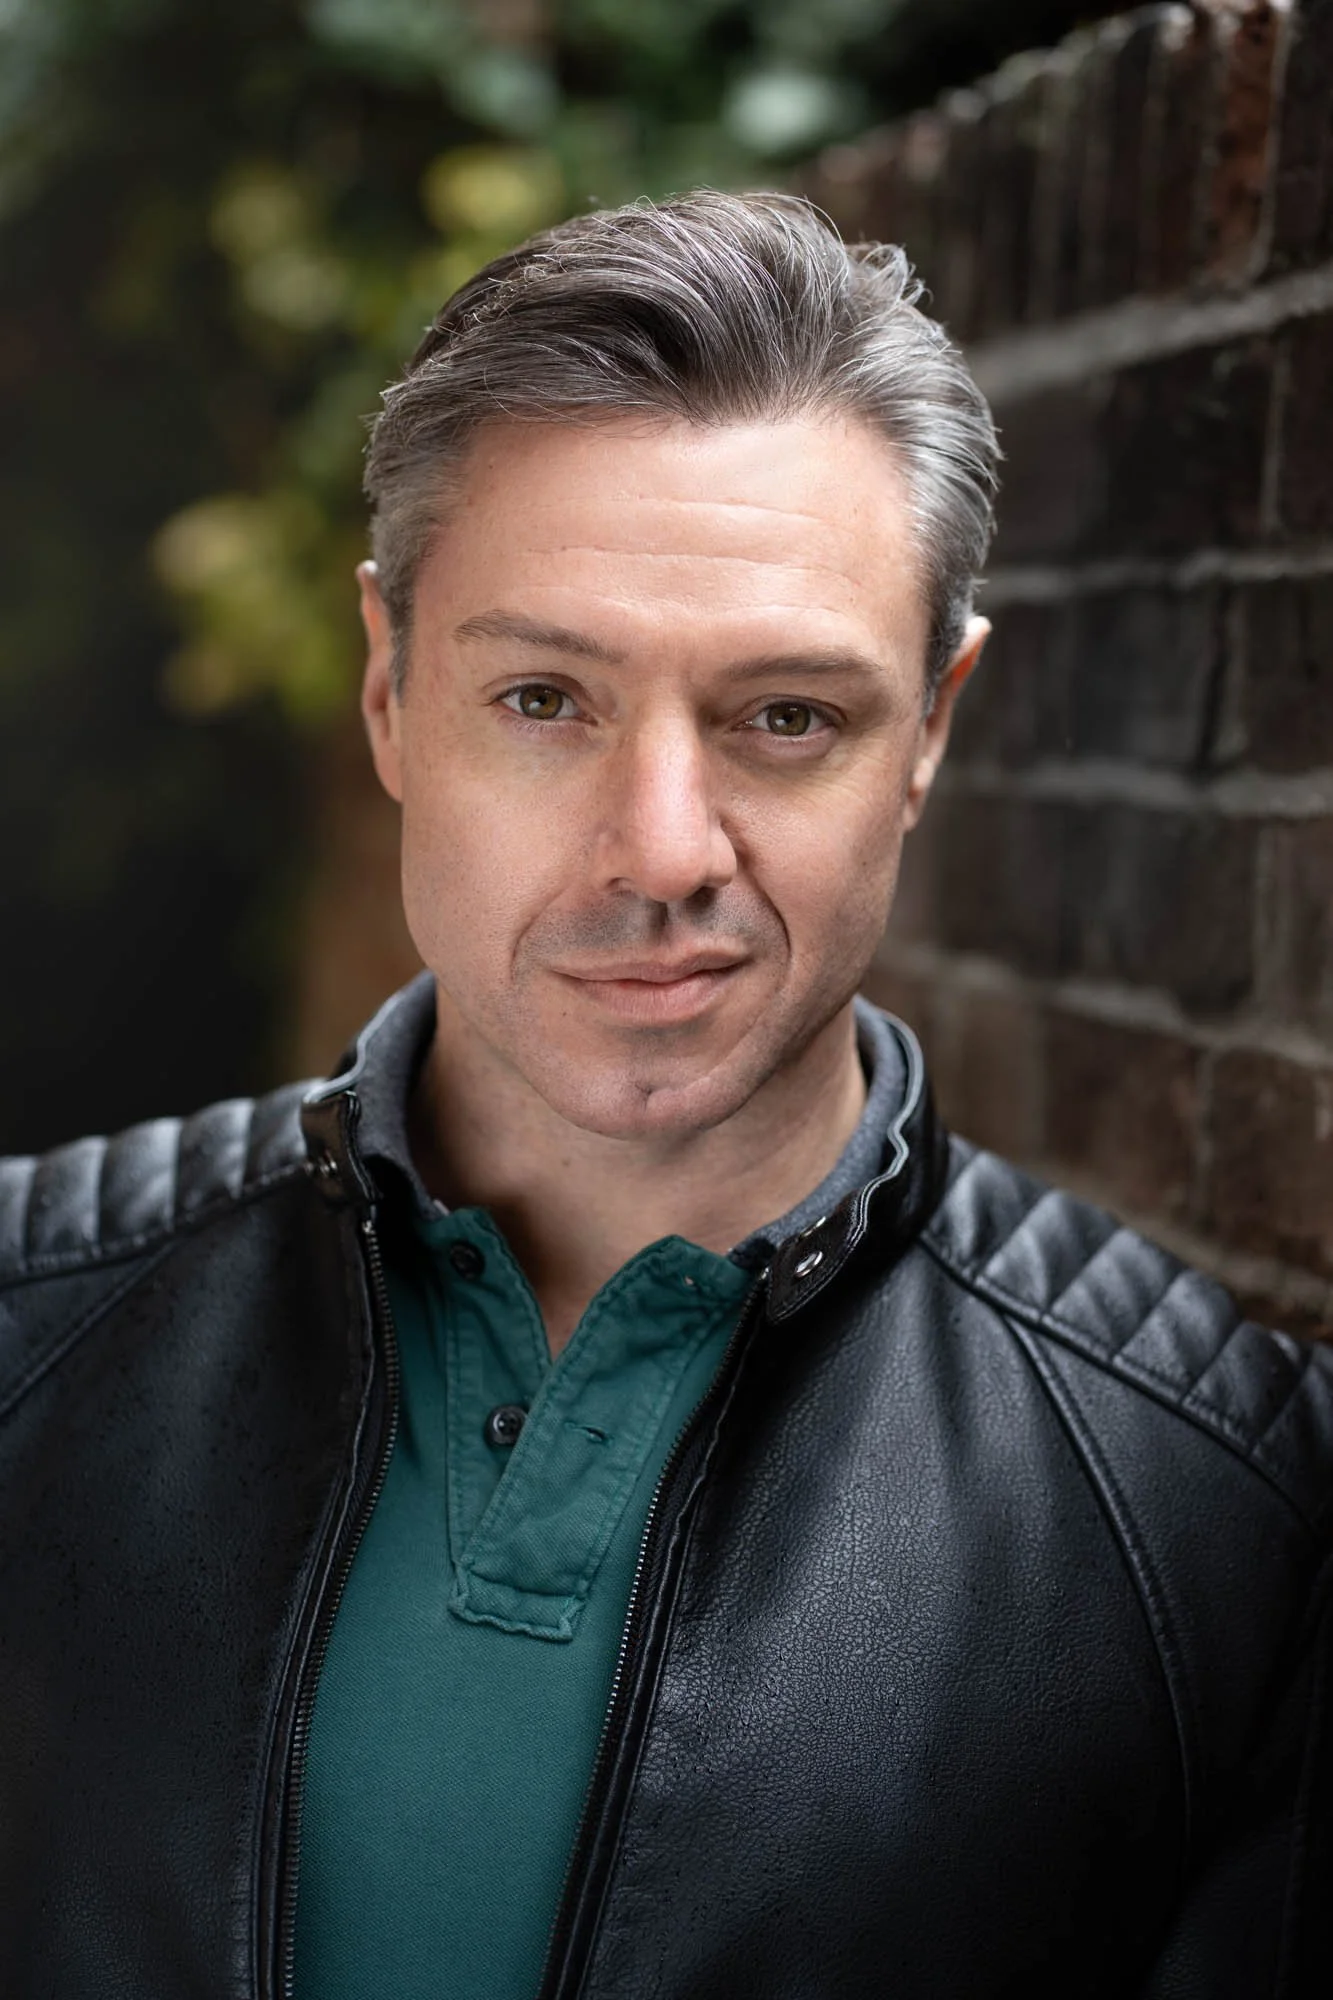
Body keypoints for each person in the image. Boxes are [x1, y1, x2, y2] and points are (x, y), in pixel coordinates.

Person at [1, 191, 1330, 2000]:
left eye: (788, 717)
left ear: (932, 727)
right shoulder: (25, 1325)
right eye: (545, 697)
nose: (661, 850)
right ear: (390, 689)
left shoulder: (1227, 1506)